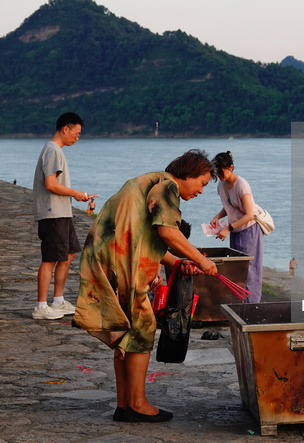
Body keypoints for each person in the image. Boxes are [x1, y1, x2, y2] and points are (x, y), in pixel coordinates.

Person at [73, 149, 219, 423]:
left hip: (108, 258)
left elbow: (145, 238)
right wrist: (201, 259)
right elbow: (168, 232)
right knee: (142, 327)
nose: (201, 191)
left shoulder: (148, 182)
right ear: (187, 174)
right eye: (201, 183)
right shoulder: (168, 186)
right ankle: (138, 404)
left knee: (124, 332)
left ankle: (124, 404)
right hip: (121, 264)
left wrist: (176, 263)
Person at [32, 112, 93, 320]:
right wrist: (76, 193)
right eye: (76, 133)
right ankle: (41, 306)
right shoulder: (52, 150)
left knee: (68, 254)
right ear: (65, 129)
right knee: (50, 258)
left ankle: (58, 301)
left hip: (61, 212)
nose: (77, 137)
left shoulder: (56, 151)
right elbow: (50, 184)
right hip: (52, 213)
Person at [210, 151, 264, 303]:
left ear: (231, 167)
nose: (219, 175)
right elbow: (228, 206)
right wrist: (217, 217)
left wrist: (228, 228)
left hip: (249, 230)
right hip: (235, 230)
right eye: (217, 172)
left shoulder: (241, 185)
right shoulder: (221, 185)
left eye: (221, 171)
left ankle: (252, 306)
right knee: (237, 269)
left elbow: (250, 214)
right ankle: (240, 304)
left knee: (250, 270)